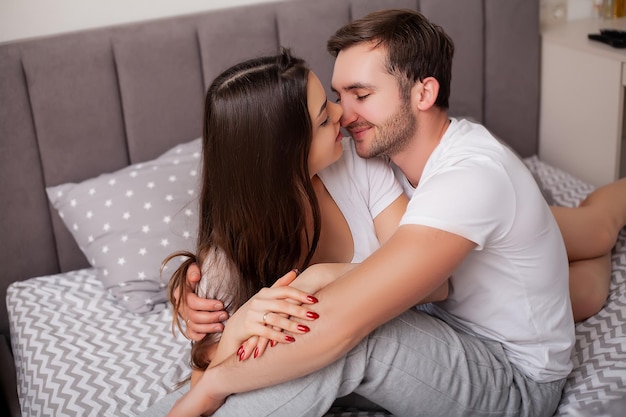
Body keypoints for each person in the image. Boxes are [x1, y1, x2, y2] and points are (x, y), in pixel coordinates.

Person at [150, 9, 626, 417]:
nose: (342, 113)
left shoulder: (456, 177)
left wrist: (216, 385)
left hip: (502, 365)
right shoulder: (352, 159)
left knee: (594, 234)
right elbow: (216, 344)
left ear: (422, 93)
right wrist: (223, 333)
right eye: (333, 102)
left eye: (360, 95)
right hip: (447, 315)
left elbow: (348, 318)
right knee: (569, 286)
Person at [162, 49, 448, 388]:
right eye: (324, 119)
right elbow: (207, 378)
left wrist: (322, 276)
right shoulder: (225, 265)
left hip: (395, 360)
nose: (342, 113)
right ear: (284, 154)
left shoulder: (360, 166)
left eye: (328, 102)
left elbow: (431, 282)